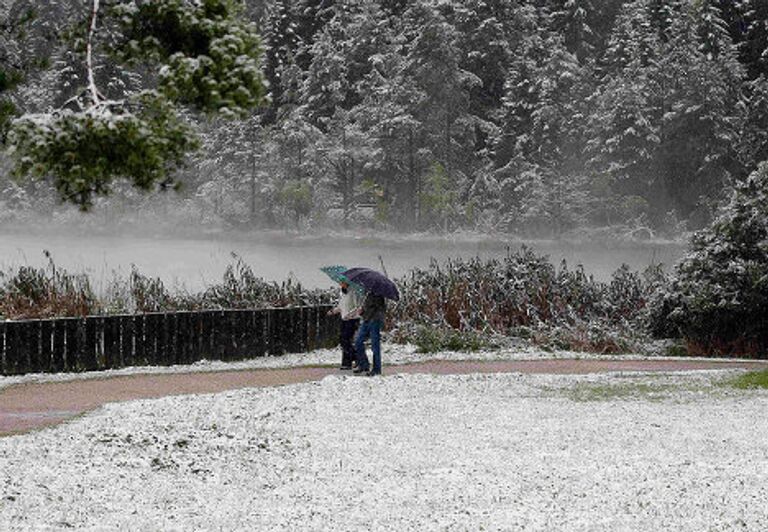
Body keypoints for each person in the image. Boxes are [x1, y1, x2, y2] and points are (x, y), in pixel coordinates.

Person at [327, 280, 361, 370]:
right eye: (340, 283)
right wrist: (333, 311)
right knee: (343, 340)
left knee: (345, 340)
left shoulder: (353, 293)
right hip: (344, 320)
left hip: (352, 320)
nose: (340, 284)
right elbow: (341, 307)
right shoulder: (343, 295)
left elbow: (357, 307)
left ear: (347, 283)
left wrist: (349, 315)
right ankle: (347, 363)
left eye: (342, 282)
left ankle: (357, 357)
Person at [353, 290, 386, 376]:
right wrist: (362, 311)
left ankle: (377, 369)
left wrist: (364, 312)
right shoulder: (368, 293)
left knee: (375, 346)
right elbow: (368, 308)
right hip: (366, 320)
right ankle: (364, 365)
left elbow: (375, 308)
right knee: (358, 342)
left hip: (374, 321)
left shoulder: (379, 294)